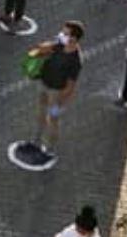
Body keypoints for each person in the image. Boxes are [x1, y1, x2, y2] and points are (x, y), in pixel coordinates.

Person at [20, 21, 84, 166]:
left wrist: (61, 103)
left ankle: (49, 150)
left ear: (74, 38)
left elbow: (71, 85)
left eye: (66, 33)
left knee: (53, 120)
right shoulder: (59, 45)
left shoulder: (75, 60)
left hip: (57, 91)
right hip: (44, 83)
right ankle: (35, 142)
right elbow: (42, 50)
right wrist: (40, 49)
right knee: (40, 112)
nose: (62, 34)